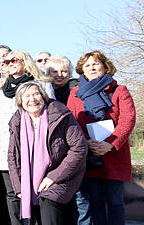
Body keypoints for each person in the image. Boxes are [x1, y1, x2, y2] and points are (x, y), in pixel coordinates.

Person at [67, 51, 136, 225]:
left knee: (115, 202)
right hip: (90, 155)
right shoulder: (75, 92)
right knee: (95, 202)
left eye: (96, 64)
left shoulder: (120, 90)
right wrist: (85, 142)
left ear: (105, 67)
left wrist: (110, 144)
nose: (92, 67)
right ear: (82, 70)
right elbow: (71, 123)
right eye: (87, 65)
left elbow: (128, 120)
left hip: (114, 154)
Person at [0, 50, 56, 225]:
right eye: (6, 61)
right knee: (12, 193)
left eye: (14, 60)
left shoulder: (41, 85)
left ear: (25, 61)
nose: (9, 63)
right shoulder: (1, 91)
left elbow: (52, 112)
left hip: (35, 146)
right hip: (7, 147)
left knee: (37, 190)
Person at [7, 81, 87, 225]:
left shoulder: (60, 115)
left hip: (61, 176)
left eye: (36, 94)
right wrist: (19, 187)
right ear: (20, 101)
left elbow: (79, 148)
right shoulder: (17, 121)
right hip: (30, 179)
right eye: (27, 96)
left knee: (47, 203)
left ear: (43, 96)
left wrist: (52, 177)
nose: (32, 99)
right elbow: (12, 156)